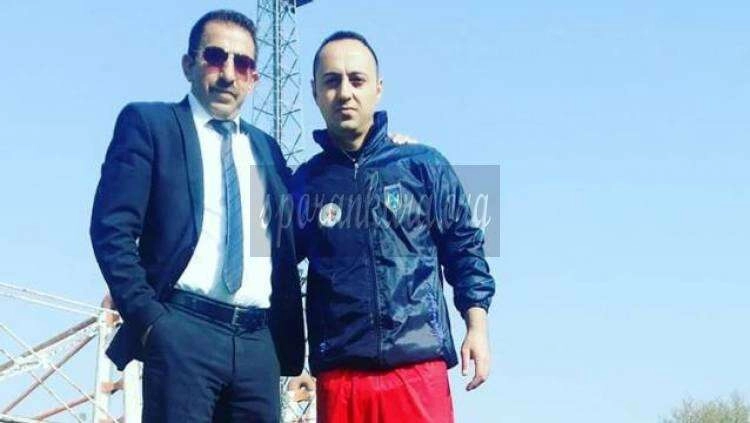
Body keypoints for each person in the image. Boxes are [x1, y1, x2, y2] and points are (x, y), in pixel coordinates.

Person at [90, 9, 303, 422]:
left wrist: (388, 157)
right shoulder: (151, 125)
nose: (228, 74)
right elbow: (112, 229)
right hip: (182, 330)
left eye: (242, 64)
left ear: (254, 79)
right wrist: (151, 321)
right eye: (215, 57)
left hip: (258, 345)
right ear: (189, 64)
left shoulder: (267, 151)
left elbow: (291, 235)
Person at [291, 31, 496, 422]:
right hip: (340, 377)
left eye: (357, 80)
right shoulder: (303, 183)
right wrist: (288, 357)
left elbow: (465, 248)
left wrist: (477, 328)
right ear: (315, 91)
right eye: (332, 81)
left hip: (418, 368)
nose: (345, 93)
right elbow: (273, 272)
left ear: (378, 88)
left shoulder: (423, 165)